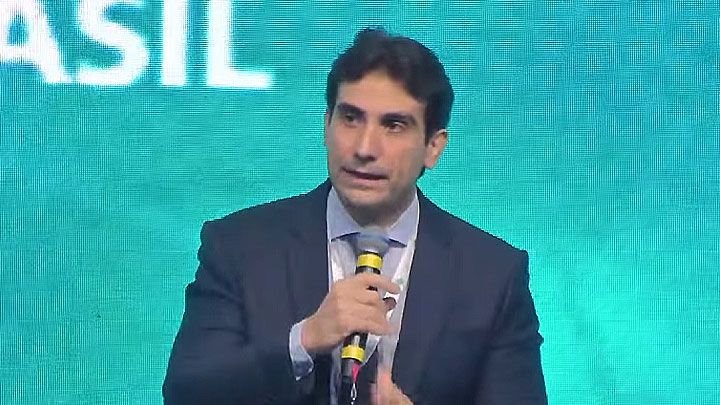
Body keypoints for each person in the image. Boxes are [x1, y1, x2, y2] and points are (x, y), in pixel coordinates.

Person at [163, 27, 547, 404]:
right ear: (326, 125)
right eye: (350, 118)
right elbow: (187, 391)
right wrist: (303, 340)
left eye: (393, 125)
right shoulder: (240, 246)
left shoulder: (491, 275)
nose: (364, 148)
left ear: (433, 146)